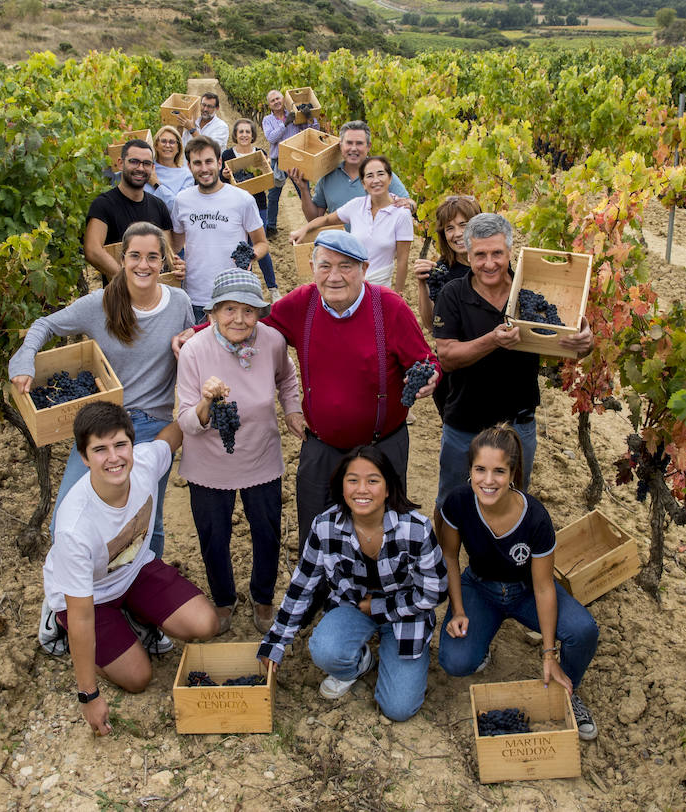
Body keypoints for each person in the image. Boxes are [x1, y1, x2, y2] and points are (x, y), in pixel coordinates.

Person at [172, 230, 440, 549]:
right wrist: (199, 330)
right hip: (321, 446)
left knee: (382, 534)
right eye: (325, 266)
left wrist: (428, 376)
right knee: (316, 534)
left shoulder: (390, 308)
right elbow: (251, 321)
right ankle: (317, 595)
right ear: (312, 268)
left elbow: (425, 361)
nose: (335, 276)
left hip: (382, 446)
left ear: (365, 269)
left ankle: (376, 594)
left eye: (346, 266)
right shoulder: (303, 303)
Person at [10, 222, 194, 559]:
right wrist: (24, 361)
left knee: (147, 522)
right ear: (122, 259)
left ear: (164, 261)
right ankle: (83, 592)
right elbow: (44, 324)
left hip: (154, 426)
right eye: (135, 256)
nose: (144, 265)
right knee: (66, 520)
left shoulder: (180, 302)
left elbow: (194, 353)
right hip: (104, 426)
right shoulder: (101, 303)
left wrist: (191, 340)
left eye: (153, 257)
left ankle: (143, 594)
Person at [45, 402, 220, 736]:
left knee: (205, 623)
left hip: (133, 572)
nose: (113, 458)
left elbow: (173, 434)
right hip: (87, 600)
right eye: (99, 449)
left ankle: (133, 615)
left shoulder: (143, 463)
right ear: (84, 458)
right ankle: (56, 621)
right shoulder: (74, 527)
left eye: (120, 445)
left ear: (132, 443)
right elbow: (81, 614)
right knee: (139, 678)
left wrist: (202, 402)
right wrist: (88, 694)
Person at [257, 446, 446, 721]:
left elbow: (434, 591)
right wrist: (276, 641)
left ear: (389, 488)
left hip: (407, 613)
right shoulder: (325, 526)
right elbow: (302, 586)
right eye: (353, 480)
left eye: (373, 480)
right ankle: (360, 663)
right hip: (353, 606)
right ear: (341, 486)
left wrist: (380, 607)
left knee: (399, 708)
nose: (362, 489)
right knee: (325, 650)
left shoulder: (415, 529)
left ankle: (398, 658)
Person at [435, 424, 600, 740]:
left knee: (583, 631)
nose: (488, 480)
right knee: (455, 661)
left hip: (525, 592)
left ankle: (568, 690)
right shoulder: (457, 503)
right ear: (470, 470)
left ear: (512, 474)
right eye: (480, 469)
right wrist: (457, 610)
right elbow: (451, 558)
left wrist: (549, 652)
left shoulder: (535, 518)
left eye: (499, 471)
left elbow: (543, 587)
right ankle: (480, 643)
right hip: (480, 588)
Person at [432, 212, 593, 506]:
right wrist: (493, 340)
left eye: (497, 253)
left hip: (518, 427)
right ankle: (447, 554)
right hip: (464, 424)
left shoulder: (530, 292)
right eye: (480, 255)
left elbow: (567, 343)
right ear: (468, 254)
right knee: (452, 502)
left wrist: (585, 343)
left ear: (509, 251)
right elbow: (447, 357)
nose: (489, 263)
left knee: (511, 503)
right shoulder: (453, 294)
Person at [176, 269, 304, 635]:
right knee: (214, 536)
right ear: (212, 313)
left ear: (259, 314)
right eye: (229, 309)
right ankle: (223, 599)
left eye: (248, 310)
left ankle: (263, 598)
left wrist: (291, 408)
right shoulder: (194, 352)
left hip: (261, 456)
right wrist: (205, 401)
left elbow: (286, 378)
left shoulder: (273, 341)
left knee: (267, 531)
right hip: (208, 465)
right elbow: (186, 421)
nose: (239, 319)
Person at [172, 135, 270, 323]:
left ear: (219, 162)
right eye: (197, 163)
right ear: (189, 166)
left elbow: (261, 243)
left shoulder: (242, 199)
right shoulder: (182, 200)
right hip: (196, 296)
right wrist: (173, 261)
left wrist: (250, 255)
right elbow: (175, 245)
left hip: (234, 296)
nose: (204, 168)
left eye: (209, 161)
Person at [290, 155, 412, 295]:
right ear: (363, 183)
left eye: (381, 174)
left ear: (390, 179)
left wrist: (398, 294)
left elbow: (403, 260)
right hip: (351, 286)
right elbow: (326, 220)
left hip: (380, 289)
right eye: (369, 176)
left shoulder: (401, 214)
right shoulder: (356, 205)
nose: (376, 180)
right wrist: (304, 229)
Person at [83, 138, 184, 283]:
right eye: (134, 161)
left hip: (155, 297)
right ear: (120, 163)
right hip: (120, 297)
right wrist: (127, 279)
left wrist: (177, 267)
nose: (140, 168)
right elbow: (92, 250)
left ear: (152, 168)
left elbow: (167, 253)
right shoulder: (103, 205)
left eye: (146, 163)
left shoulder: (158, 205)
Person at [287, 121, 411, 222]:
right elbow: (314, 218)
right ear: (341, 145)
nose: (353, 148)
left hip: (374, 251)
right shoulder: (328, 175)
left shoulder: (380, 174)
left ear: (369, 146)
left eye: (359, 143)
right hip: (340, 250)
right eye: (349, 143)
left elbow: (409, 203)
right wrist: (303, 189)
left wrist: (410, 205)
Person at [220, 118, 280, 299]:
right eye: (241, 132)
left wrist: (266, 169)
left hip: (258, 204)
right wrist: (223, 176)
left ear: (252, 135)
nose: (244, 135)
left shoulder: (260, 153)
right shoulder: (227, 155)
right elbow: (223, 182)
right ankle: (247, 287)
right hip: (234, 207)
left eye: (248, 132)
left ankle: (272, 288)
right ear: (235, 135)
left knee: (259, 247)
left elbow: (268, 181)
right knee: (242, 247)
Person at [411, 194, 481, 331]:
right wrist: (422, 284)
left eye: (463, 225)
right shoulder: (442, 272)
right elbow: (431, 325)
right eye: (450, 228)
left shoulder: (494, 263)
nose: (458, 233)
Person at [261, 89, 319, 238]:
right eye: (272, 100)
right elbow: (271, 138)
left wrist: (310, 118)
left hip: (296, 159)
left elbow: (312, 132)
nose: (276, 102)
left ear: (283, 99)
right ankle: (271, 226)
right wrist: (285, 124)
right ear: (269, 105)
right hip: (278, 161)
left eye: (278, 98)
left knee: (304, 192)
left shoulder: (295, 114)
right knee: (274, 196)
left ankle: (313, 224)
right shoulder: (268, 120)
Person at [151, 125, 193, 213]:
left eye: (172, 142)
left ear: (178, 147)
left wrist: (156, 185)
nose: (167, 145)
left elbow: (179, 208)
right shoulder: (147, 167)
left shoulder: (186, 176)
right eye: (163, 141)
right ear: (156, 145)